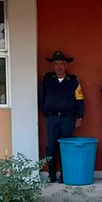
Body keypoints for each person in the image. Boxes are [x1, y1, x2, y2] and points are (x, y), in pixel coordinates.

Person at [38, 51, 84, 184]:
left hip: (67, 119)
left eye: (61, 64)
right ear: (52, 66)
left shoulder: (74, 81)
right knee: (51, 147)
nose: (58, 67)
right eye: (56, 64)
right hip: (52, 118)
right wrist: (45, 111)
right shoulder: (47, 79)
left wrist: (79, 117)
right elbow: (42, 97)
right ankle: (51, 175)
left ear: (66, 66)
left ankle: (65, 175)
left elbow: (80, 100)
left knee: (66, 147)